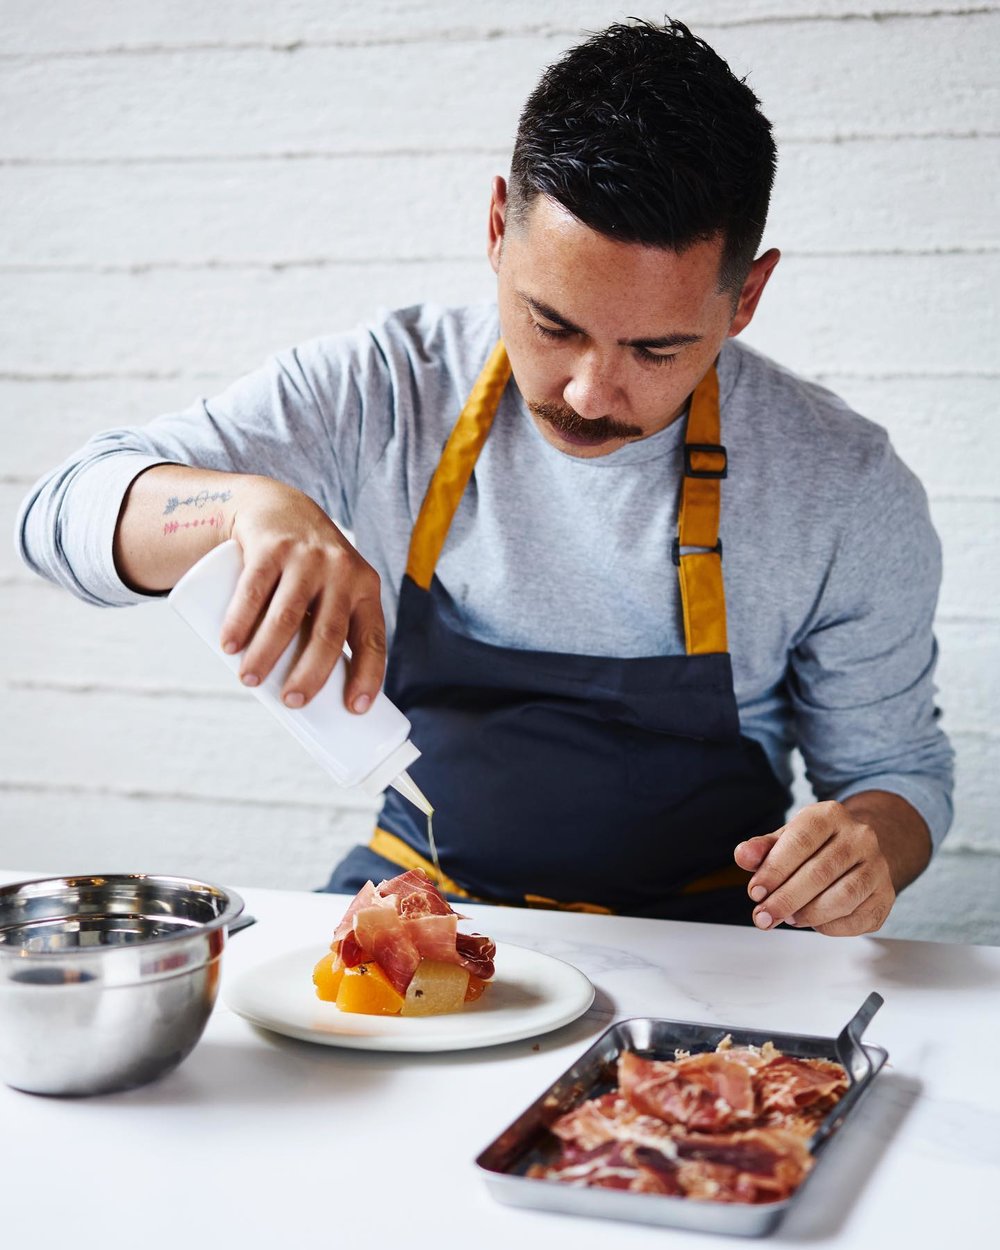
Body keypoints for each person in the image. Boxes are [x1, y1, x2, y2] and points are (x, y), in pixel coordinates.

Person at [17, 18, 952, 934]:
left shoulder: (843, 483)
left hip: (715, 936)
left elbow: (899, 772)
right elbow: (55, 517)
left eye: (657, 349)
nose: (591, 391)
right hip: (421, 900)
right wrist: (241, 507)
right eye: (554, 325)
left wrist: (866, 845)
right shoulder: (387, 386)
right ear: (499, 227)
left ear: (745, 297)